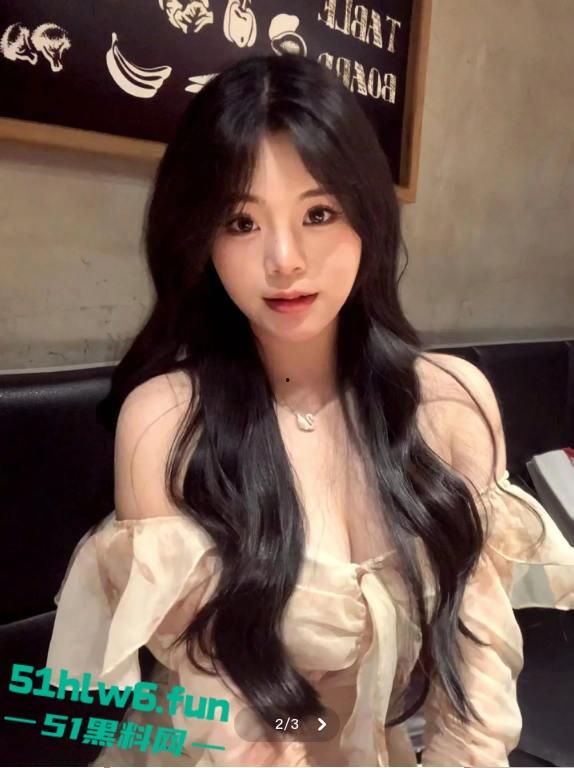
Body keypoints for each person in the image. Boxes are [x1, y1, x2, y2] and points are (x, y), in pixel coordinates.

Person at [46, 53, 574, 767]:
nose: (285, 259)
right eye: (241, 221)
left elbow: (474, 696)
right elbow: (233, 732)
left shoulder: (451, 404)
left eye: (318, 213)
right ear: (200, 238)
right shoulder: (166, 425)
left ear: (366, 216)